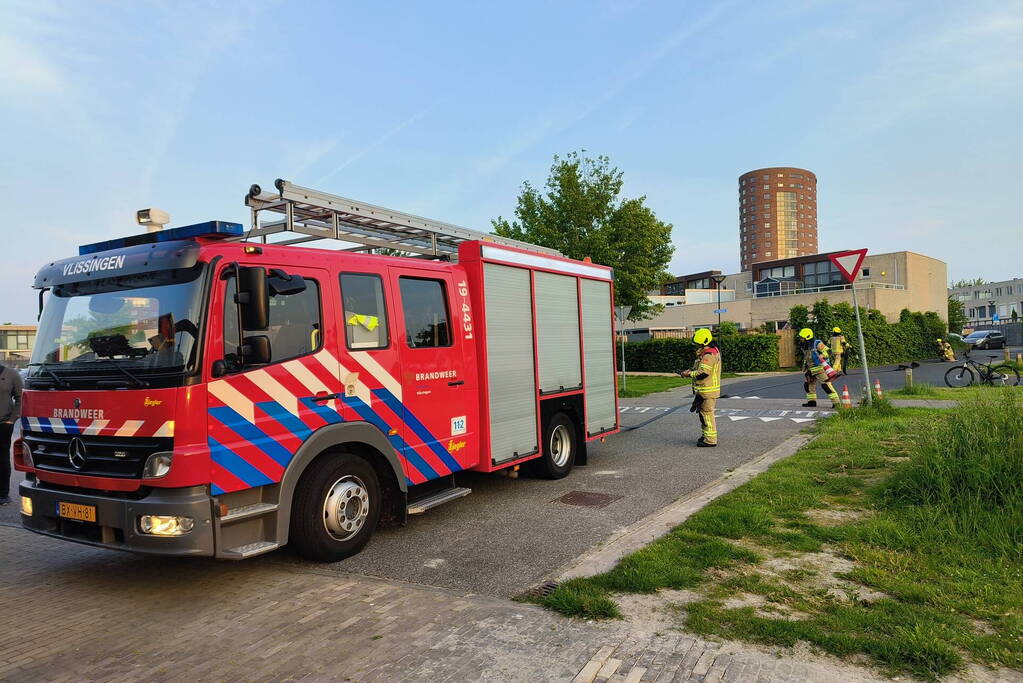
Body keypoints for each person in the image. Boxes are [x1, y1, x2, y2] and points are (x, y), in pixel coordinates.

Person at [681, 328, 721, 447]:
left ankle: (710, 440)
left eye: (698, 344)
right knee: (703, 415)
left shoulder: (708, 356)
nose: (697, 346)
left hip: (707, 391)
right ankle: (706, 436)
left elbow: (703, 373)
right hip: (706, 390)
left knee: (707, 415)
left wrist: (689, 374)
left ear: (704, 343)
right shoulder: (713, 351)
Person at [799, 328, 840, 408]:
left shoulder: (816, 343)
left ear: (807, 337)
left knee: (826, 386)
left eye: (802, 337)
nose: (801, 339)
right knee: (808, 385)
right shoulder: (805, 345)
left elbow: (828, 351)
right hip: (811, 369)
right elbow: (807, 357)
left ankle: (836, 403)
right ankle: (811, 402)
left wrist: (822, 355)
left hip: (819, 369)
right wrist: (805, 367)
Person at [0, 362, 23, 505]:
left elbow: (20, 397)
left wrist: (12, 419)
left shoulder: (11, 374)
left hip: (3, 424)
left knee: (1, 459)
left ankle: (3, 494)